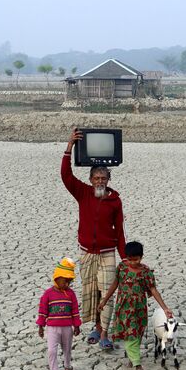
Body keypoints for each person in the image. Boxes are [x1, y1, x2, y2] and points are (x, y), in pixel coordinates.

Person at [62, 128, 127, 351]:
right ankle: (97, 327)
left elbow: (119, 232)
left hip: (108, 252)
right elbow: (66, 176)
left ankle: (106, 333)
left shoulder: (115, 201)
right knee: (93, 292)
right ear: (90, 180)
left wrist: (125, 258)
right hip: (87, 252)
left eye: (103, 178)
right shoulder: (83, 193)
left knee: (108, 292)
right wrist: (69, 147)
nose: (100, 181)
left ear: (109, 179)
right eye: (96, 178)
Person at [97, 241, 173, 370]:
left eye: (136, 259)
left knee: (137, 334)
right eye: (130, 259)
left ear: (141, 257)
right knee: (130, 334)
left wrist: (165, 308)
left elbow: (153, 290)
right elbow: (115, 283)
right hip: (124, 308)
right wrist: (105, 300)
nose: (132, 262)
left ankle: (133, 357)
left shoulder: (145, 272)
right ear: (126, 257)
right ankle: (137, 364)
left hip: (138, 309)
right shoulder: (121, 268)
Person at [37, 257, 82, 370]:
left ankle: (67, 366)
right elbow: (43, 311)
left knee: (67, 349)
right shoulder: (48, 294)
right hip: (52, 328)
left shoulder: (71, 294)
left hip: (67, 327)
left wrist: (77, 325)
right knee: (52, 351)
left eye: (70, 281)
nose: (67, 284)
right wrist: (40, 326)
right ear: (57, 278)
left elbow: (75, 311)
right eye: (65, 281)